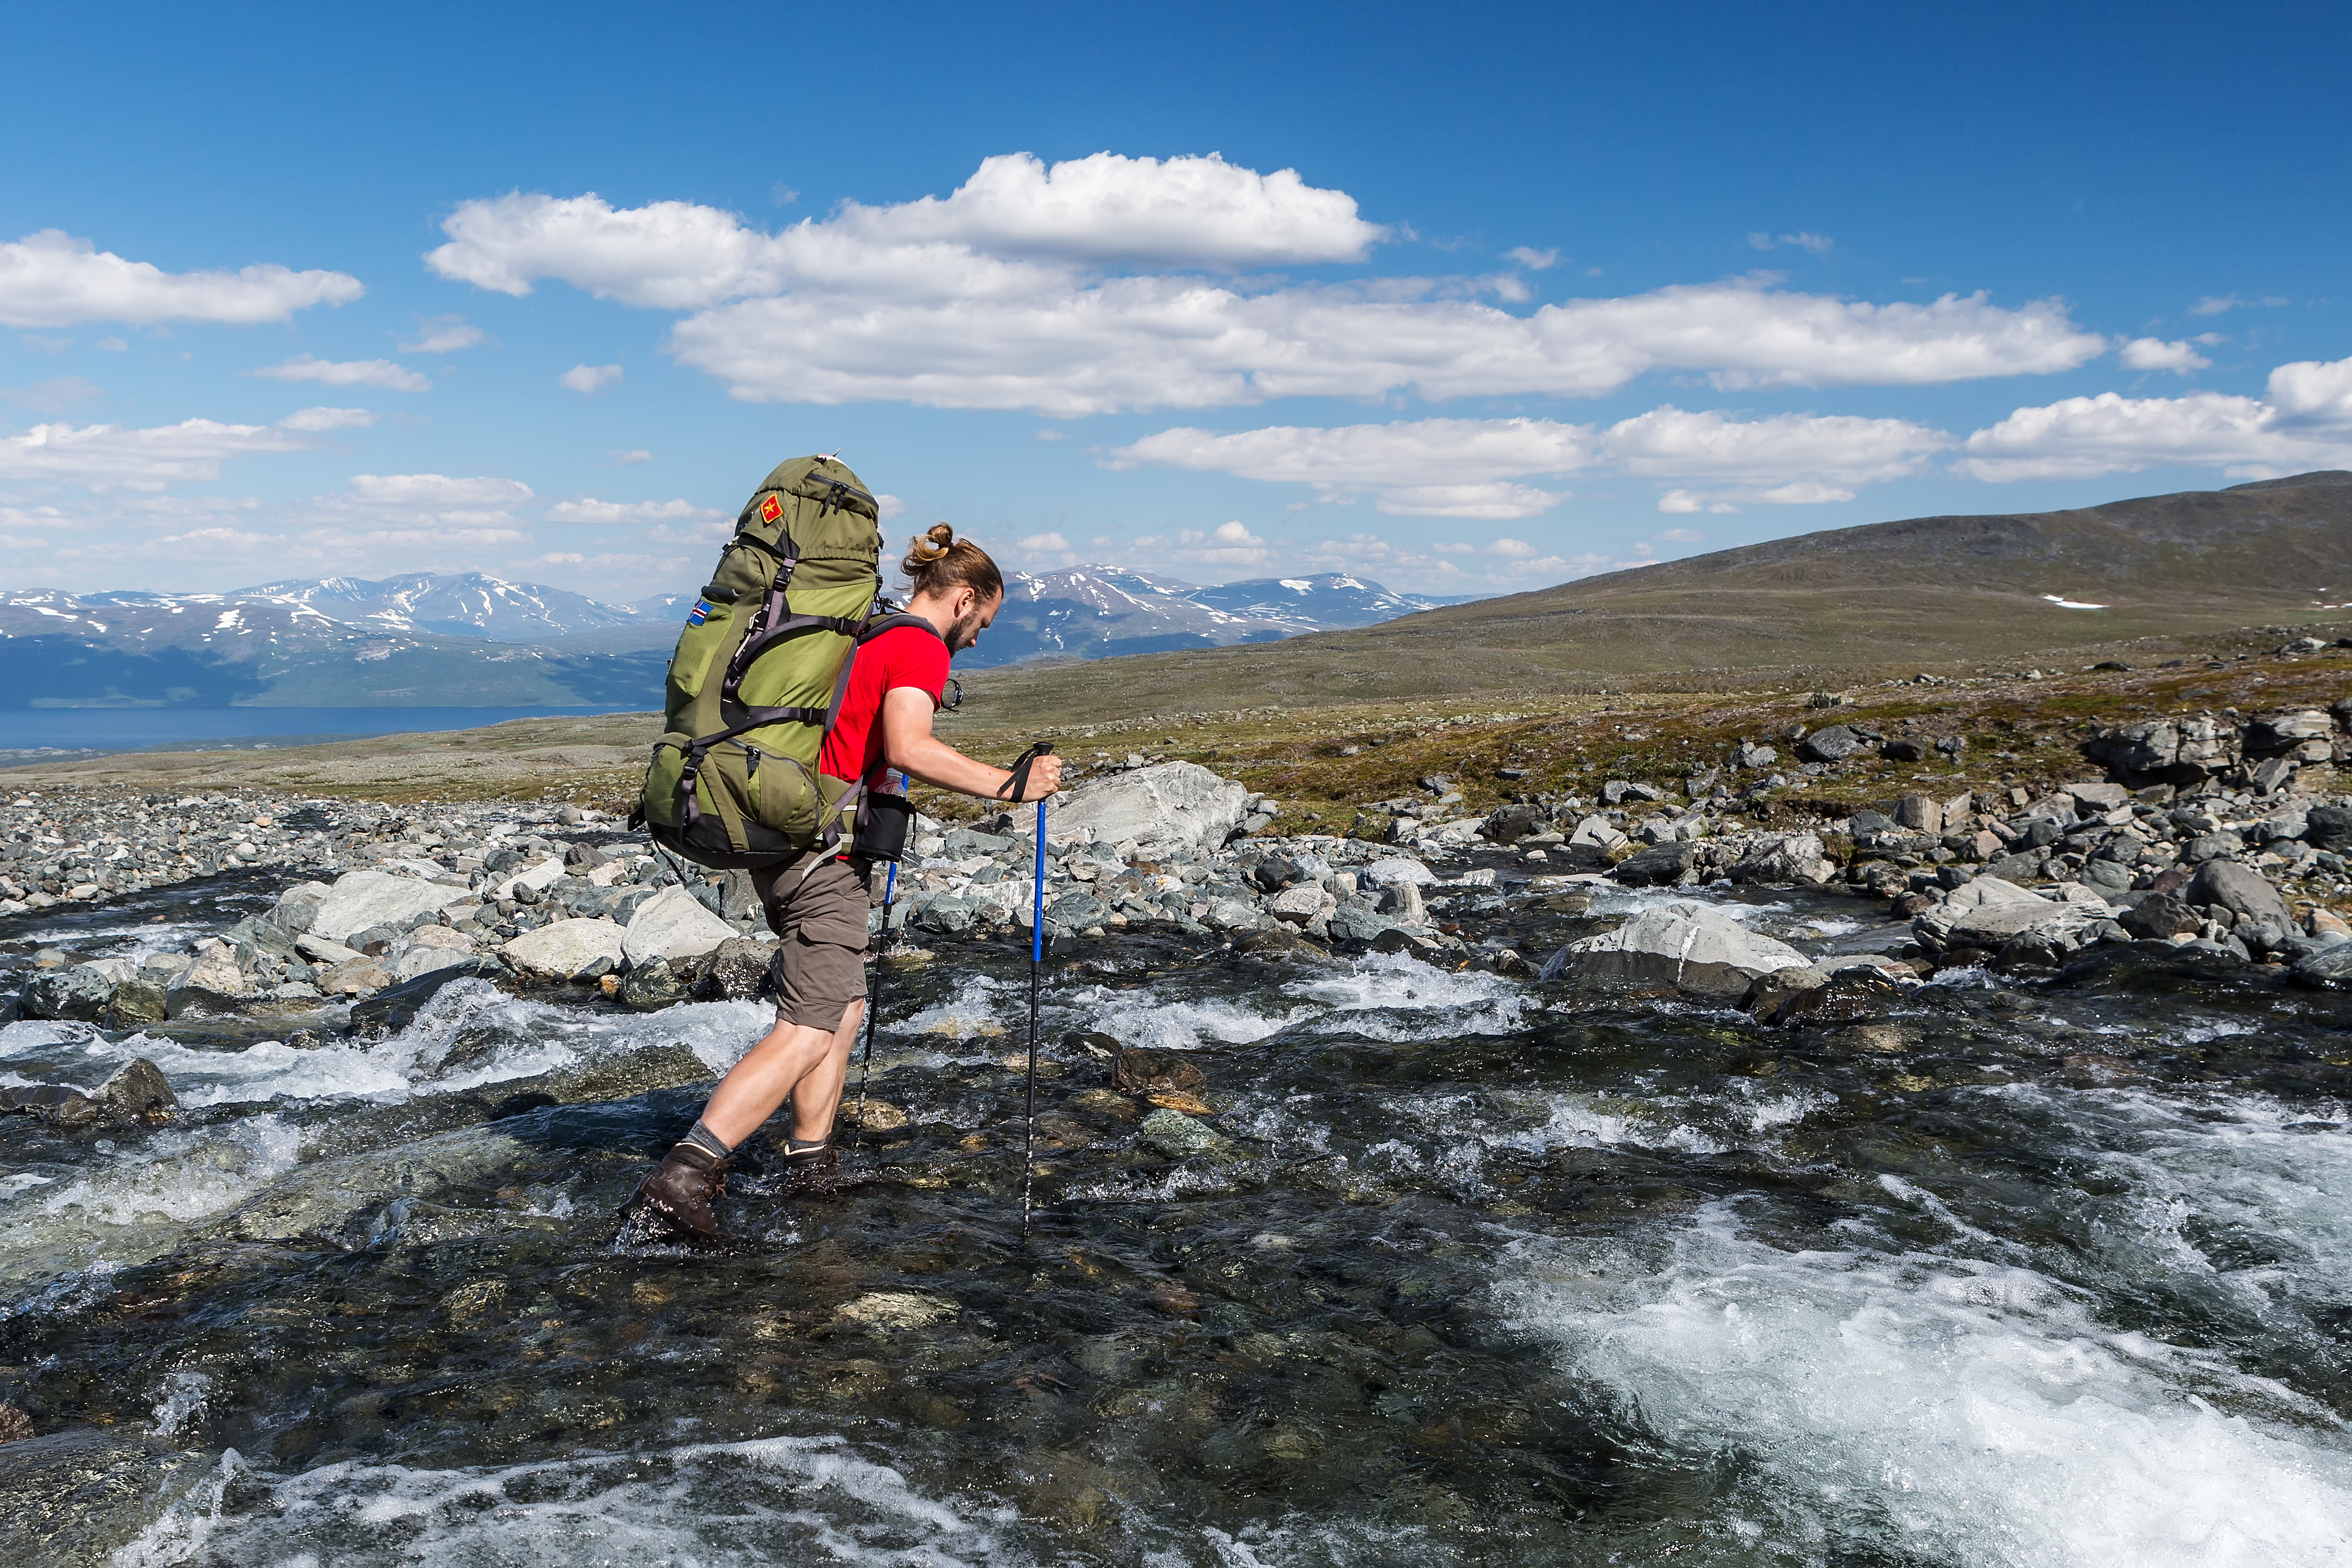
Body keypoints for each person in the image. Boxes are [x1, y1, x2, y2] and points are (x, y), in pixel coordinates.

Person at [621, 524, 1062, 1247]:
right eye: (983, 622)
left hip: (799, 839)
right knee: (807, 1026)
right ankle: (682, 1180)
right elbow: (909, 747)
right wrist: (1010, 786)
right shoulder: (917, 643)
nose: (979, 638)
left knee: (843, 1004)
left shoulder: (873, 633)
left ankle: (810, 1161)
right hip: (820, 852)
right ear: (961, 599)